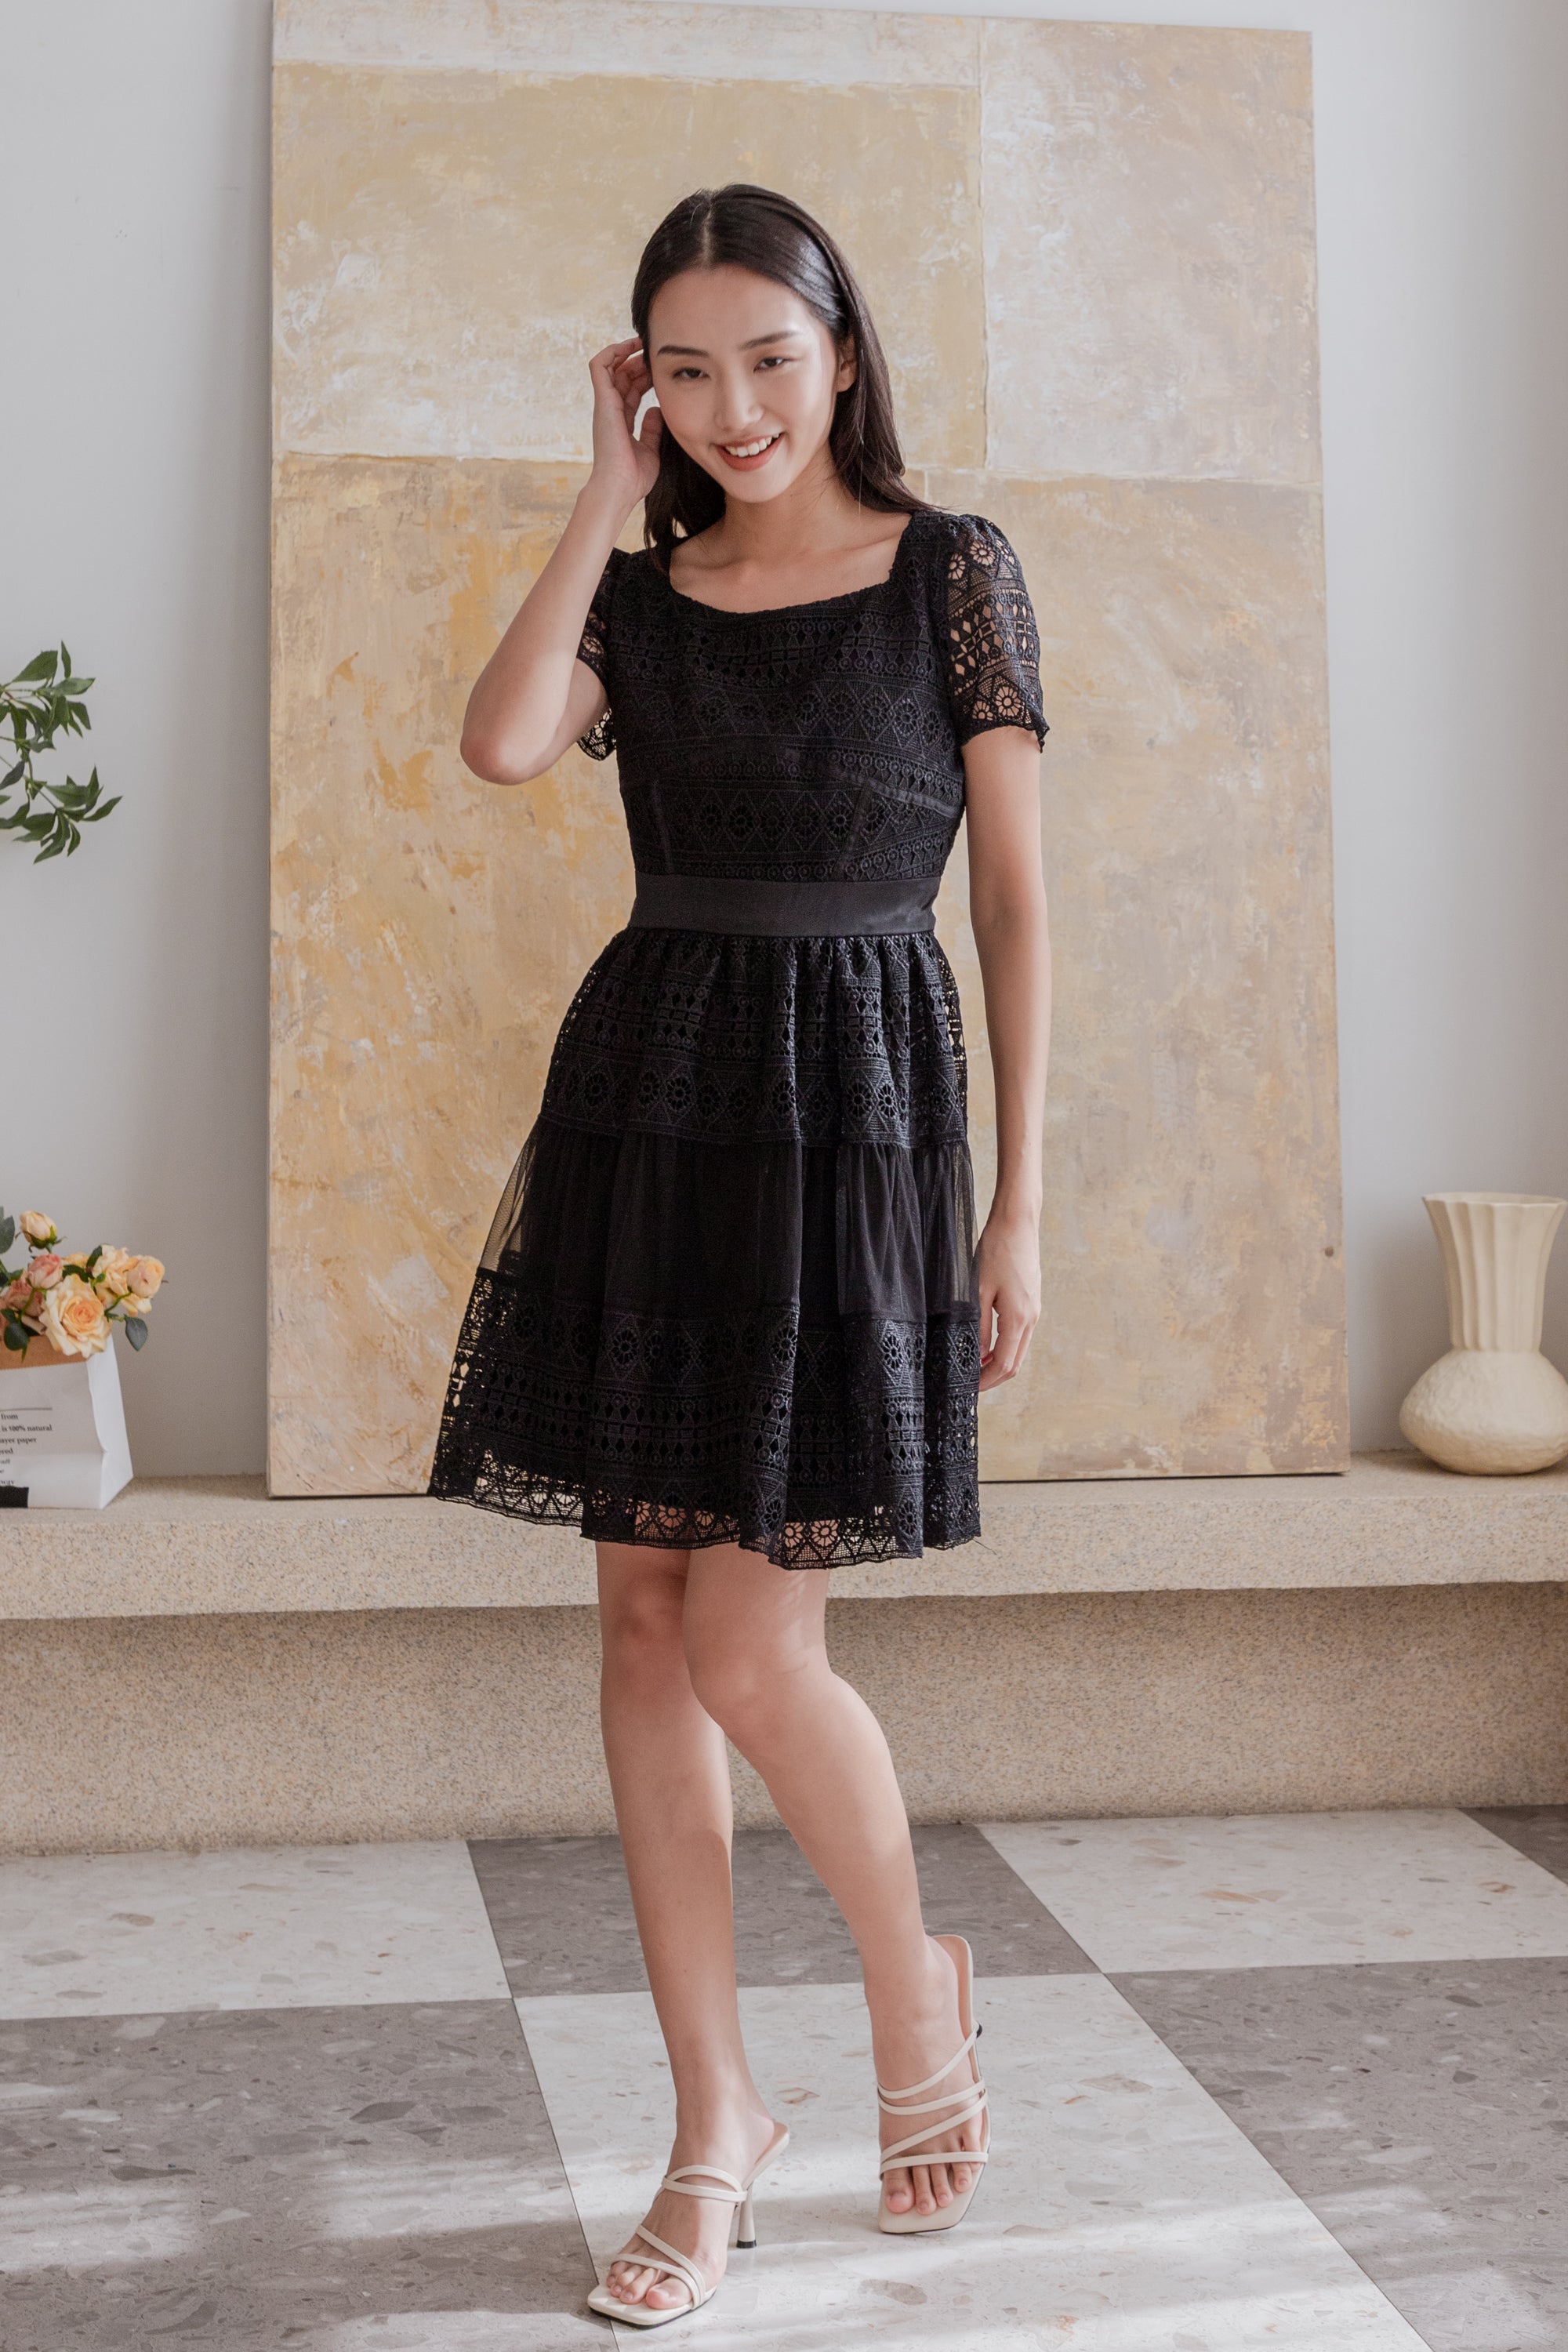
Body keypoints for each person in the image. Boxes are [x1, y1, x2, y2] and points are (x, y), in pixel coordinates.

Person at [429, 183, 1051, 2328]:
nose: (733, 408)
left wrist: (1019, 1201)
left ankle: (911, 1989)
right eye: (682, 373)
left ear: (842, 353)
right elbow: (503, 741)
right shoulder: (645, 590)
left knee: (752, 1647)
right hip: (654, 1099)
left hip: (855, 1108)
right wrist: (601, 498)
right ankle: (716, 2124)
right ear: (644, 390)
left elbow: (1015, 906)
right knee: (639, 1627)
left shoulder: (953, 571)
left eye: (768, 360)